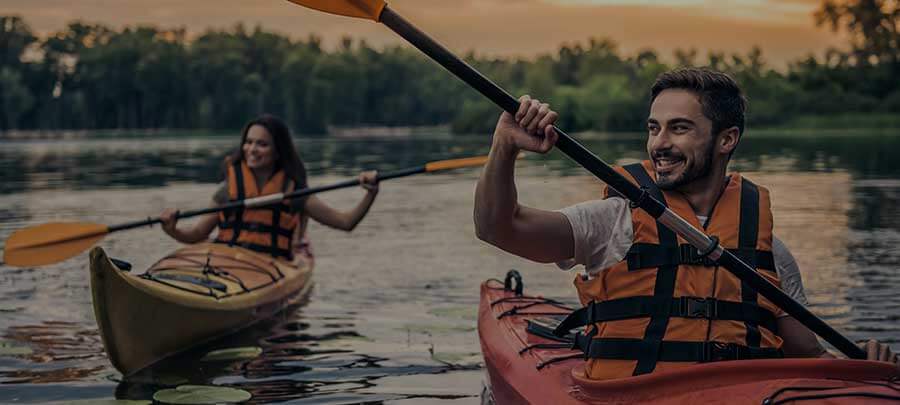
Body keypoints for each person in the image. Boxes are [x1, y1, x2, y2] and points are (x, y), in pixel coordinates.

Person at [473, 67, 899, 379]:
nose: (660, 143)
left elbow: (806, 355)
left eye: (679, 129)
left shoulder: (769, 252)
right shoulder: (613, 221)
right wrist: (504, 146)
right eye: (654, 128)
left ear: (726, 139)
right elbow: (498, 227)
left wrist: (864, 369)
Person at [159, 114, 379, 262]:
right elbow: (197, 234)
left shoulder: (295, 194)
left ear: (278, 151)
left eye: (262, 144)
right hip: (225, 262)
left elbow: (345, 223)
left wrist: (370, 193)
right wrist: (172, 229)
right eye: (249, 142)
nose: (252, 149)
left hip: (271, 266)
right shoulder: (228, 190)